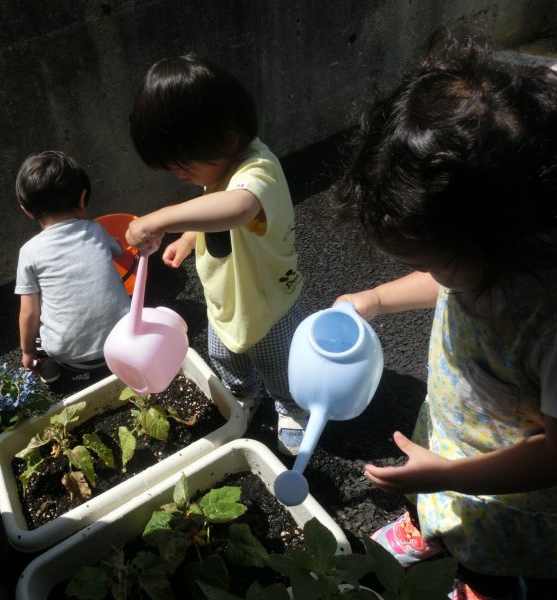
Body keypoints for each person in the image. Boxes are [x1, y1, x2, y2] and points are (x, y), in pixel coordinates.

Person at [334, 32, 557, 600]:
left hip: (505, 495)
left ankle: (483, 583)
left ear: (498, 240)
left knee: (487, 560)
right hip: (452, 435)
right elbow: (442, 281)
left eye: (435, 261)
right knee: (430, 495)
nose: (433, 274)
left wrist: (452, 477)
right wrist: (375, 299)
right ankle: (429, 523)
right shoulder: (486, 255)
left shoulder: (547, 325)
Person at [124, 54, 307, 454]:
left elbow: (238, 207)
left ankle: (292, 406)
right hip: (227, 298)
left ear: (226, 140)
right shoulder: (222, 166)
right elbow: (213, 206)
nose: (179, 176)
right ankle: (241, 394)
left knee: (281, 364)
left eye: (183, 168)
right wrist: (189, 236)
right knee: (224, 355)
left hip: (268, 303)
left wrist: (161, 219)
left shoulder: (259, 168)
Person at [14, 150, 130, 383]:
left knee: (36, 338)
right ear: (82, 198)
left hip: (70, 356)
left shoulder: (29, 252)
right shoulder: (95, 230)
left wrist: (27, 352)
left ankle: (52, 372)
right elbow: (121, 250)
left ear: (26, 210)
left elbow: (29, 312)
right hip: (124, 340)